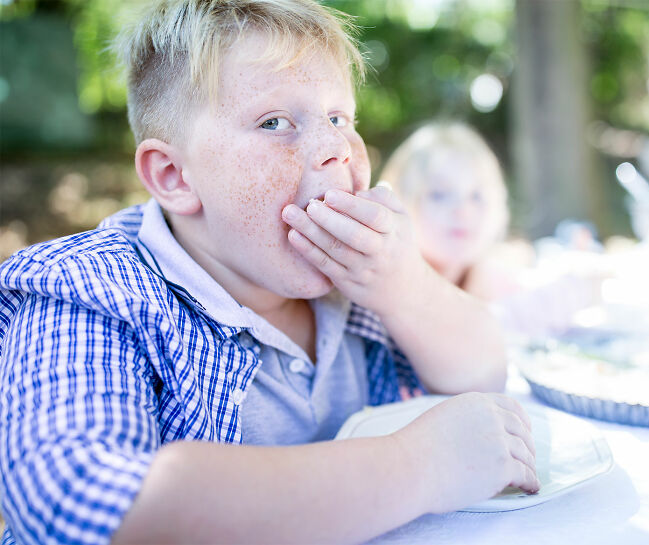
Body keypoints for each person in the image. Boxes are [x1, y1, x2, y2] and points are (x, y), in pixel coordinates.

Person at [0, 2, 539, 544]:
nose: (335, 149)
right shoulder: (86, 291)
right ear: (173, 176)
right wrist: (416, 466)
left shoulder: (357, 287)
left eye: (339, 118)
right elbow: (79, 501)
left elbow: (482, 372)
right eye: (275, 122)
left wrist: (408, 289)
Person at [381, 121, 600, 339]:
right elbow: (475, 331)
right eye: (439, 195)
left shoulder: (485, 275)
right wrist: (567, 294)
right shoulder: (393, 285)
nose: (463, 211)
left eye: (476, 196)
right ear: (400, 200)